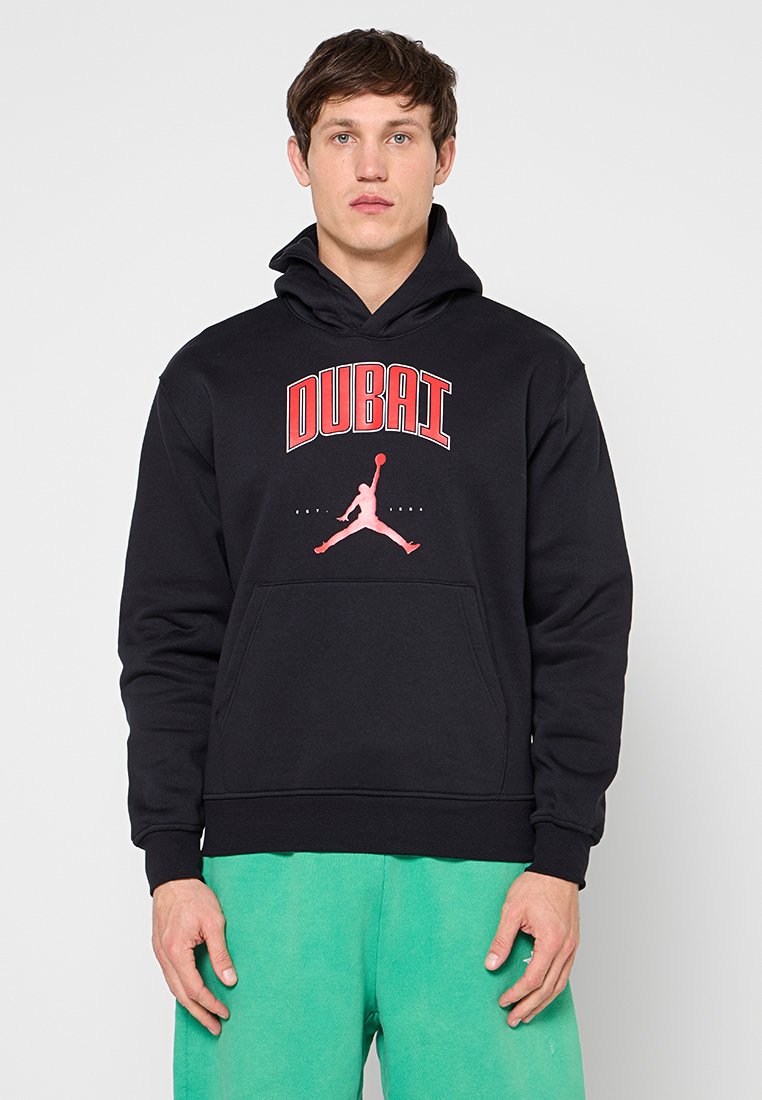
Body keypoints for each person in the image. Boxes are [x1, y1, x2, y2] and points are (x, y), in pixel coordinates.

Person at [117, 27, 633, 1100]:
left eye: (400, 134)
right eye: (341, 134)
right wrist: (171, 861)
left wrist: (559, 855)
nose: (369, 163)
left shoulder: (531, 370)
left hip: (483, 868)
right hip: (260, 871)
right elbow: (167, 629)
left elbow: (583, 614)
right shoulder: (212, 377)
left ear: (444, 156)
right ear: (297, 156)